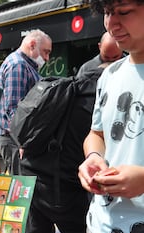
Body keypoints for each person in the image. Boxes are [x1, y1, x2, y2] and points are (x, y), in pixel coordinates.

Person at [78, 0, 144, 232]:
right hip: (100, 222)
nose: (112, 24)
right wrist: (94, 157)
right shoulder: (109, 76)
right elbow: (96, 134)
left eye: (124, 12)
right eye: (107, 13)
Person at [0, 29, 52, 175]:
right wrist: (22, 141)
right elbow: (13, 109)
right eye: (45, 52)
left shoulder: (25, 65)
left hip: (17, 139)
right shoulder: (18, 66)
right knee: (21, 189)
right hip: (15, 140)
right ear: (32, 44)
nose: (47, 58)